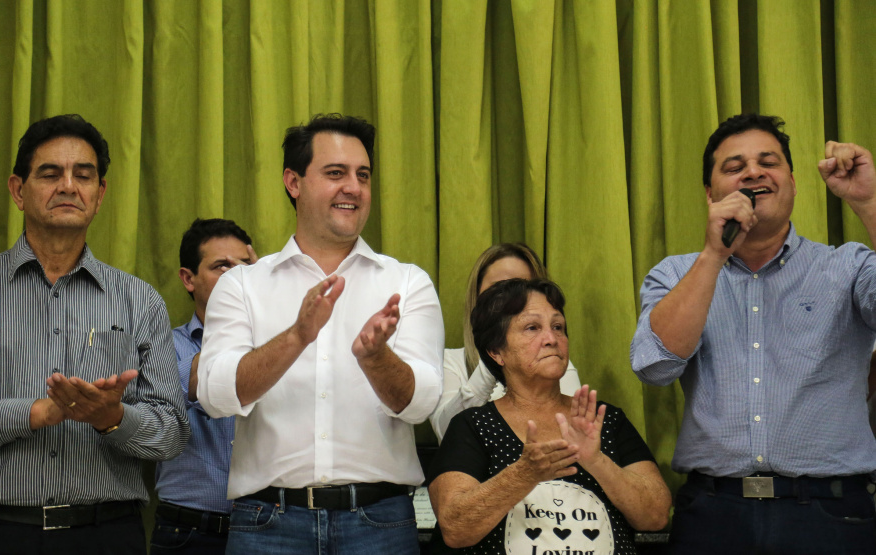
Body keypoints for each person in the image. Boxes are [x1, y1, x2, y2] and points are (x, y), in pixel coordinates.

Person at [197, 113, 445, 554]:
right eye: (336, 173)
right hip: (268, 524)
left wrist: (376, 358)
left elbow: (422, 404)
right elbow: (215, 397)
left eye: (362, 175)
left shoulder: (407, 282)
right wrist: (296, 336)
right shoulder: (242, 285)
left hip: (380, 524)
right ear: (294, 182)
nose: (353, 186)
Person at [631, 113, 876, 553]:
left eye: (769, 161)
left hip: (831, 517)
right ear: (710, 194)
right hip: (713, 515)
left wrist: (869, 203)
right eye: (733, 167)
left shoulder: (848, 266)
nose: (753, 172)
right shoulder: (675, 274)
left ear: (794, 182)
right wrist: (713, 254)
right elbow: (655, 366)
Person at [0, 114, 189, 554]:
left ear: (99, 194)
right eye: (50, 173)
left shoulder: (139, 301)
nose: (68, 185)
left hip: (106, 534)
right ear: (17, 190)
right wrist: (33, 413)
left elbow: (173, 431)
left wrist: (112, 419)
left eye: (83, 175)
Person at [430, 278, 670, 554]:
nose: (552, 339)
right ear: (496, 352)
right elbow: (455, 528)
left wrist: (596, 461)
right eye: (532, 328)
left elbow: (656, 517)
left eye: (558, 327)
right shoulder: (473, 426)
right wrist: (524, 473)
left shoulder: (605, 420)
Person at [152, 218, 257, 554]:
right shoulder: (164, 347)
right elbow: (188, 386)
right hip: (187, 531)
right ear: (188, 279)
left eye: (245, 265)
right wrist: (234, 325)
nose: (237, 275)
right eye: (221, 266)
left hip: (266, 528)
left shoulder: (278, 350)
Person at [429, 243, 581, 441]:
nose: (512, 300)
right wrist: (495, 353)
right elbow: (447, 433)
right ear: (477, 297)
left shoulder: (553, 358)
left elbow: (572, 432)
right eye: (499, 290)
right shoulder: (450, 361)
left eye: (522, 287)